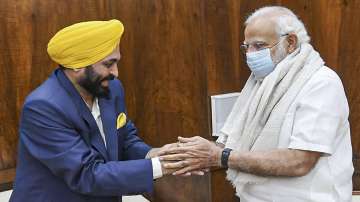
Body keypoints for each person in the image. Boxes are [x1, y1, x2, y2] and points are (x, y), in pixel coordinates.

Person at [160, 6, 354, 202]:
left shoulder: (320, 83)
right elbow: (232, 146)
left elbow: (300, 161)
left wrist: (220, 156)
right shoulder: (261, 81)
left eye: (259, 46)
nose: (250, 55)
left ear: (291, 42)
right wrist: (188, 154)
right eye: (247, 47)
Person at [10, 19, 187, 202]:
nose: (116, 73)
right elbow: (86, 175)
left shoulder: (111, 88)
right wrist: (161, 166)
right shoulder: (43, 108)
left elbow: (124, 140)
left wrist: (154, 154)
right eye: (108, 64)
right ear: (77, 65)